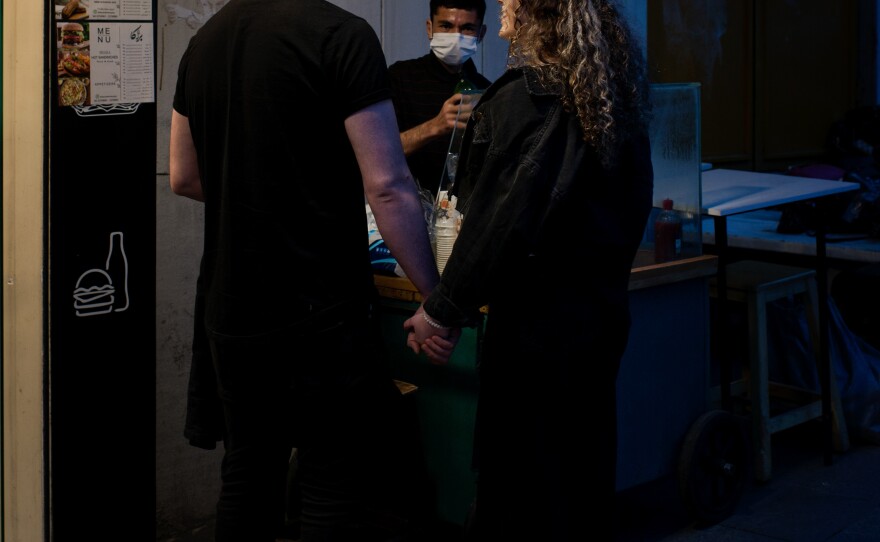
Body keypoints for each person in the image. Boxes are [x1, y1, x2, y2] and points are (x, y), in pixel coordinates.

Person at [169, 0, 457, 540]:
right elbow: (388, 186)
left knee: (249, 473)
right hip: (318, 309)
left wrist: (256, 197)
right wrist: (434, 296)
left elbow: (183, 176)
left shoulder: (204, 41)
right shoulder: (341, 36)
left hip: (231, 308)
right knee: (330, 479)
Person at [404, 0, 654, 539]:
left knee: (519, 493)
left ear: (537, 15)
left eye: (510, 1)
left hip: (534, 339)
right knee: (580, 484)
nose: (499, 11)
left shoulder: (521, 99)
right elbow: (633, 212)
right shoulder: (614, 94)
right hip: (599, 324)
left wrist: (441, 309)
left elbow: (495, 227)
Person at [388, 0, 493, 194]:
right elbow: (379, 153)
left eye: (467, 28)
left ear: (481, 34)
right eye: (446, 26)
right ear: (430, 28)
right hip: (410, 210)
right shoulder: (399, 77)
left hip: (465, 214)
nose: (456, 36)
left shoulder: (489, 92)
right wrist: (436, 126)